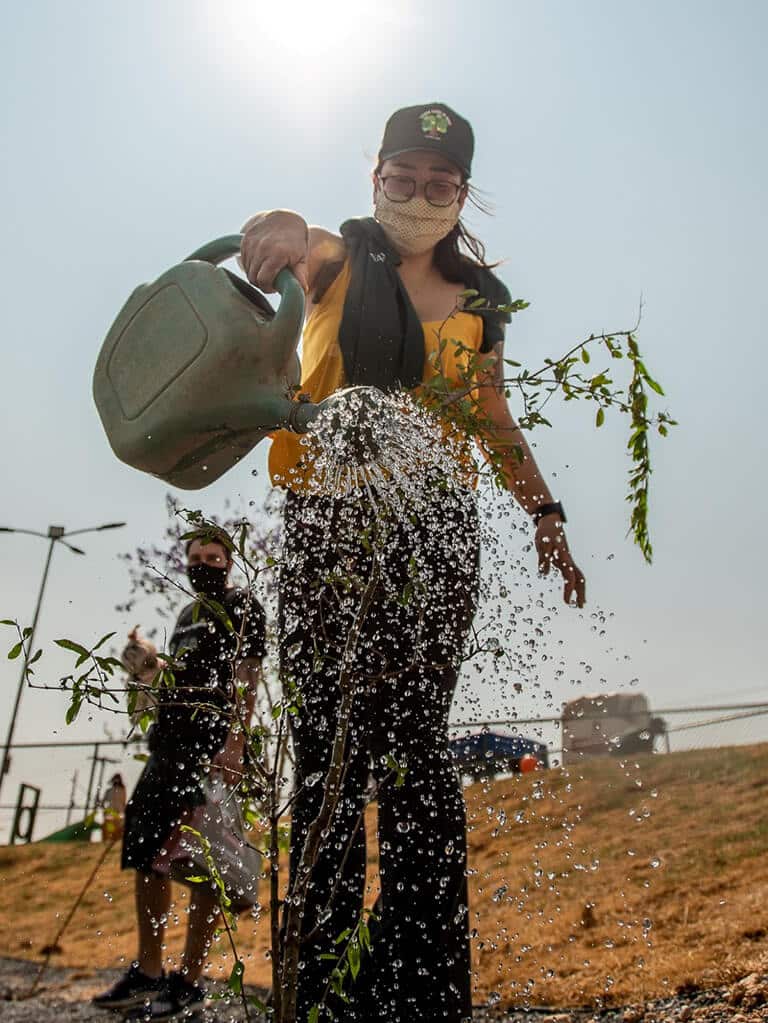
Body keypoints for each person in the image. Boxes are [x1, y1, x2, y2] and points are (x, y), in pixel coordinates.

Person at [240, 102, 585, 1023]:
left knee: (414, 758)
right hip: (328, 525)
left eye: (442, 183)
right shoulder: (340, 257)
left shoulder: (481, 301)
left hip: (435, 537)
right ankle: (320, 993)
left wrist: (544, 510)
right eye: (405, 176)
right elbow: (288, 235)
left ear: (462, 193)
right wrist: (273, 228)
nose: (421, 195)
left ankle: (420, 988)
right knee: (326, 756)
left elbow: (491, 414)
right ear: (376, 175)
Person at [92, 537, 266, 1020]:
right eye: (196, 560)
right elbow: (178, 674)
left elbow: (246, 673)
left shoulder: (242, 604)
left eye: (213, 559)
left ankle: (189, 980)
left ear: (229, 563)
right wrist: (147, 661)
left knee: (206, 860)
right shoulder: (187, 617)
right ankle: (148, 972)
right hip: (167, 744)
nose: (204, 565)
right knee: (146, 852)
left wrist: (235, 743)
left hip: (209, 748)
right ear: (185, 566)